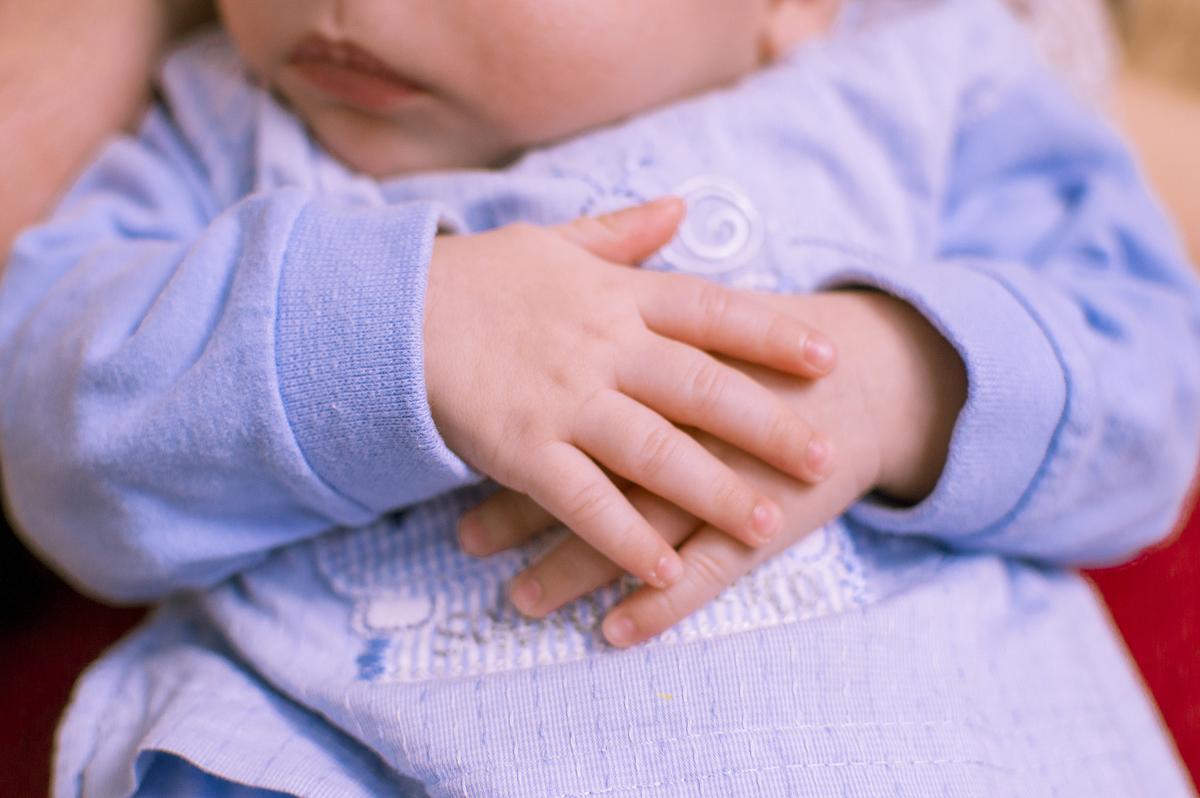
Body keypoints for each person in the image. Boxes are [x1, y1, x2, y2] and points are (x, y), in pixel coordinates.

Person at [1, 0, 1197, 796]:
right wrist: (403, 332)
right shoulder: (225, 124)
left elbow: (1151, 385)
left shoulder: (921, 77)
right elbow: (58, 433)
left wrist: (903, 379)